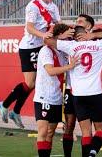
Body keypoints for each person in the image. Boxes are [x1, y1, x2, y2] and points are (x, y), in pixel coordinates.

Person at [44, 26, 102, 157]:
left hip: (78, 95)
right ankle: (92, 153)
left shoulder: (70, 46)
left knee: (86, 132)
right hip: (95, 93)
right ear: (86, 33)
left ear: (74, 36)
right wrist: (93, 37)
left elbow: (47, 41)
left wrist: (62, 35)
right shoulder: (99, 44)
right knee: (100, 130)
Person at [0, 0, 64, 129]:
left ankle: (15, 111)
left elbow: (59, 24)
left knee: (34, 84)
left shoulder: (53, 6)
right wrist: (44, 35)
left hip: (43, 46)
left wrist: (65, 32)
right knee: (30, 83)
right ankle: (5, 104)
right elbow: (30, 28)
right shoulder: (33, 6)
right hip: (30, 46)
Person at [62, 14, 102, 157]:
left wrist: (92, 35)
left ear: (88, 26)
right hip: (71, 89)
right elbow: (50, 39)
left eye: (80, 21)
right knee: (69, 125)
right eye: (76, 21)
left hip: (82, 91)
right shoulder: (70, 36)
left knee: (87, 129)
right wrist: (63, 34)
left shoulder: (94, 41)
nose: (76, 23)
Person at [34, 23, 78, 157]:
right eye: (66, 37)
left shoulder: (62, 53)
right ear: (59, 36)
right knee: (43, 132)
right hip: (43, 97)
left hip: (57, 98)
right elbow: (50, 71)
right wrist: (70, 67)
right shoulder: (46, 50)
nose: (68, 41)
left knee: (50, 133)